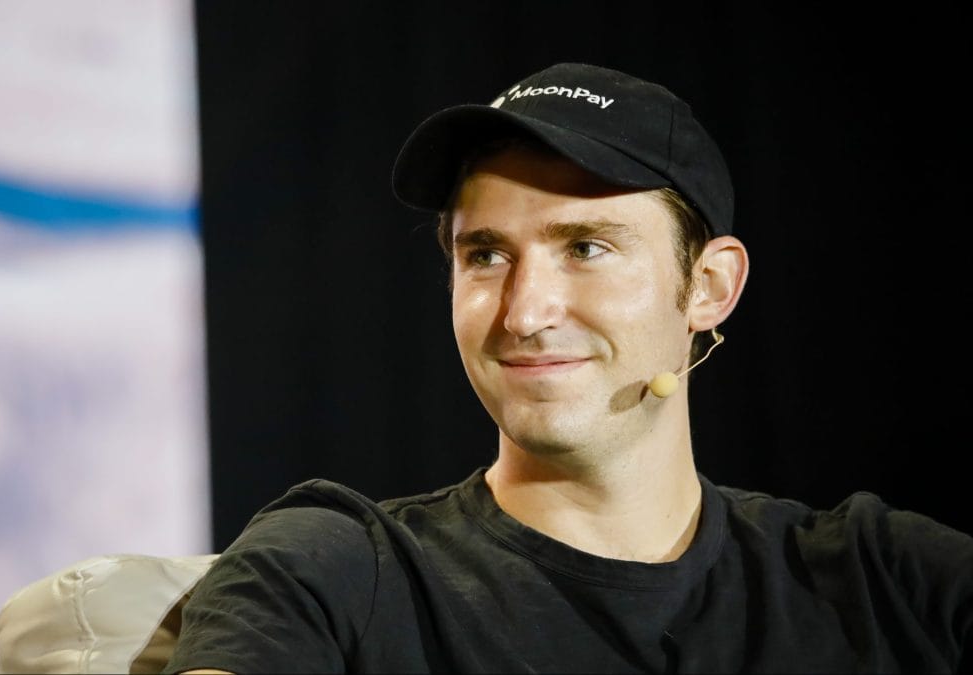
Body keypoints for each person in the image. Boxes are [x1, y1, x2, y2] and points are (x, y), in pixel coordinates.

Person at [163, 62, 973, 674]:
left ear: (709, 286)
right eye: (484, 255)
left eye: (586, 248)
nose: (524, 311)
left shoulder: (888, 578)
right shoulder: (333, 570)